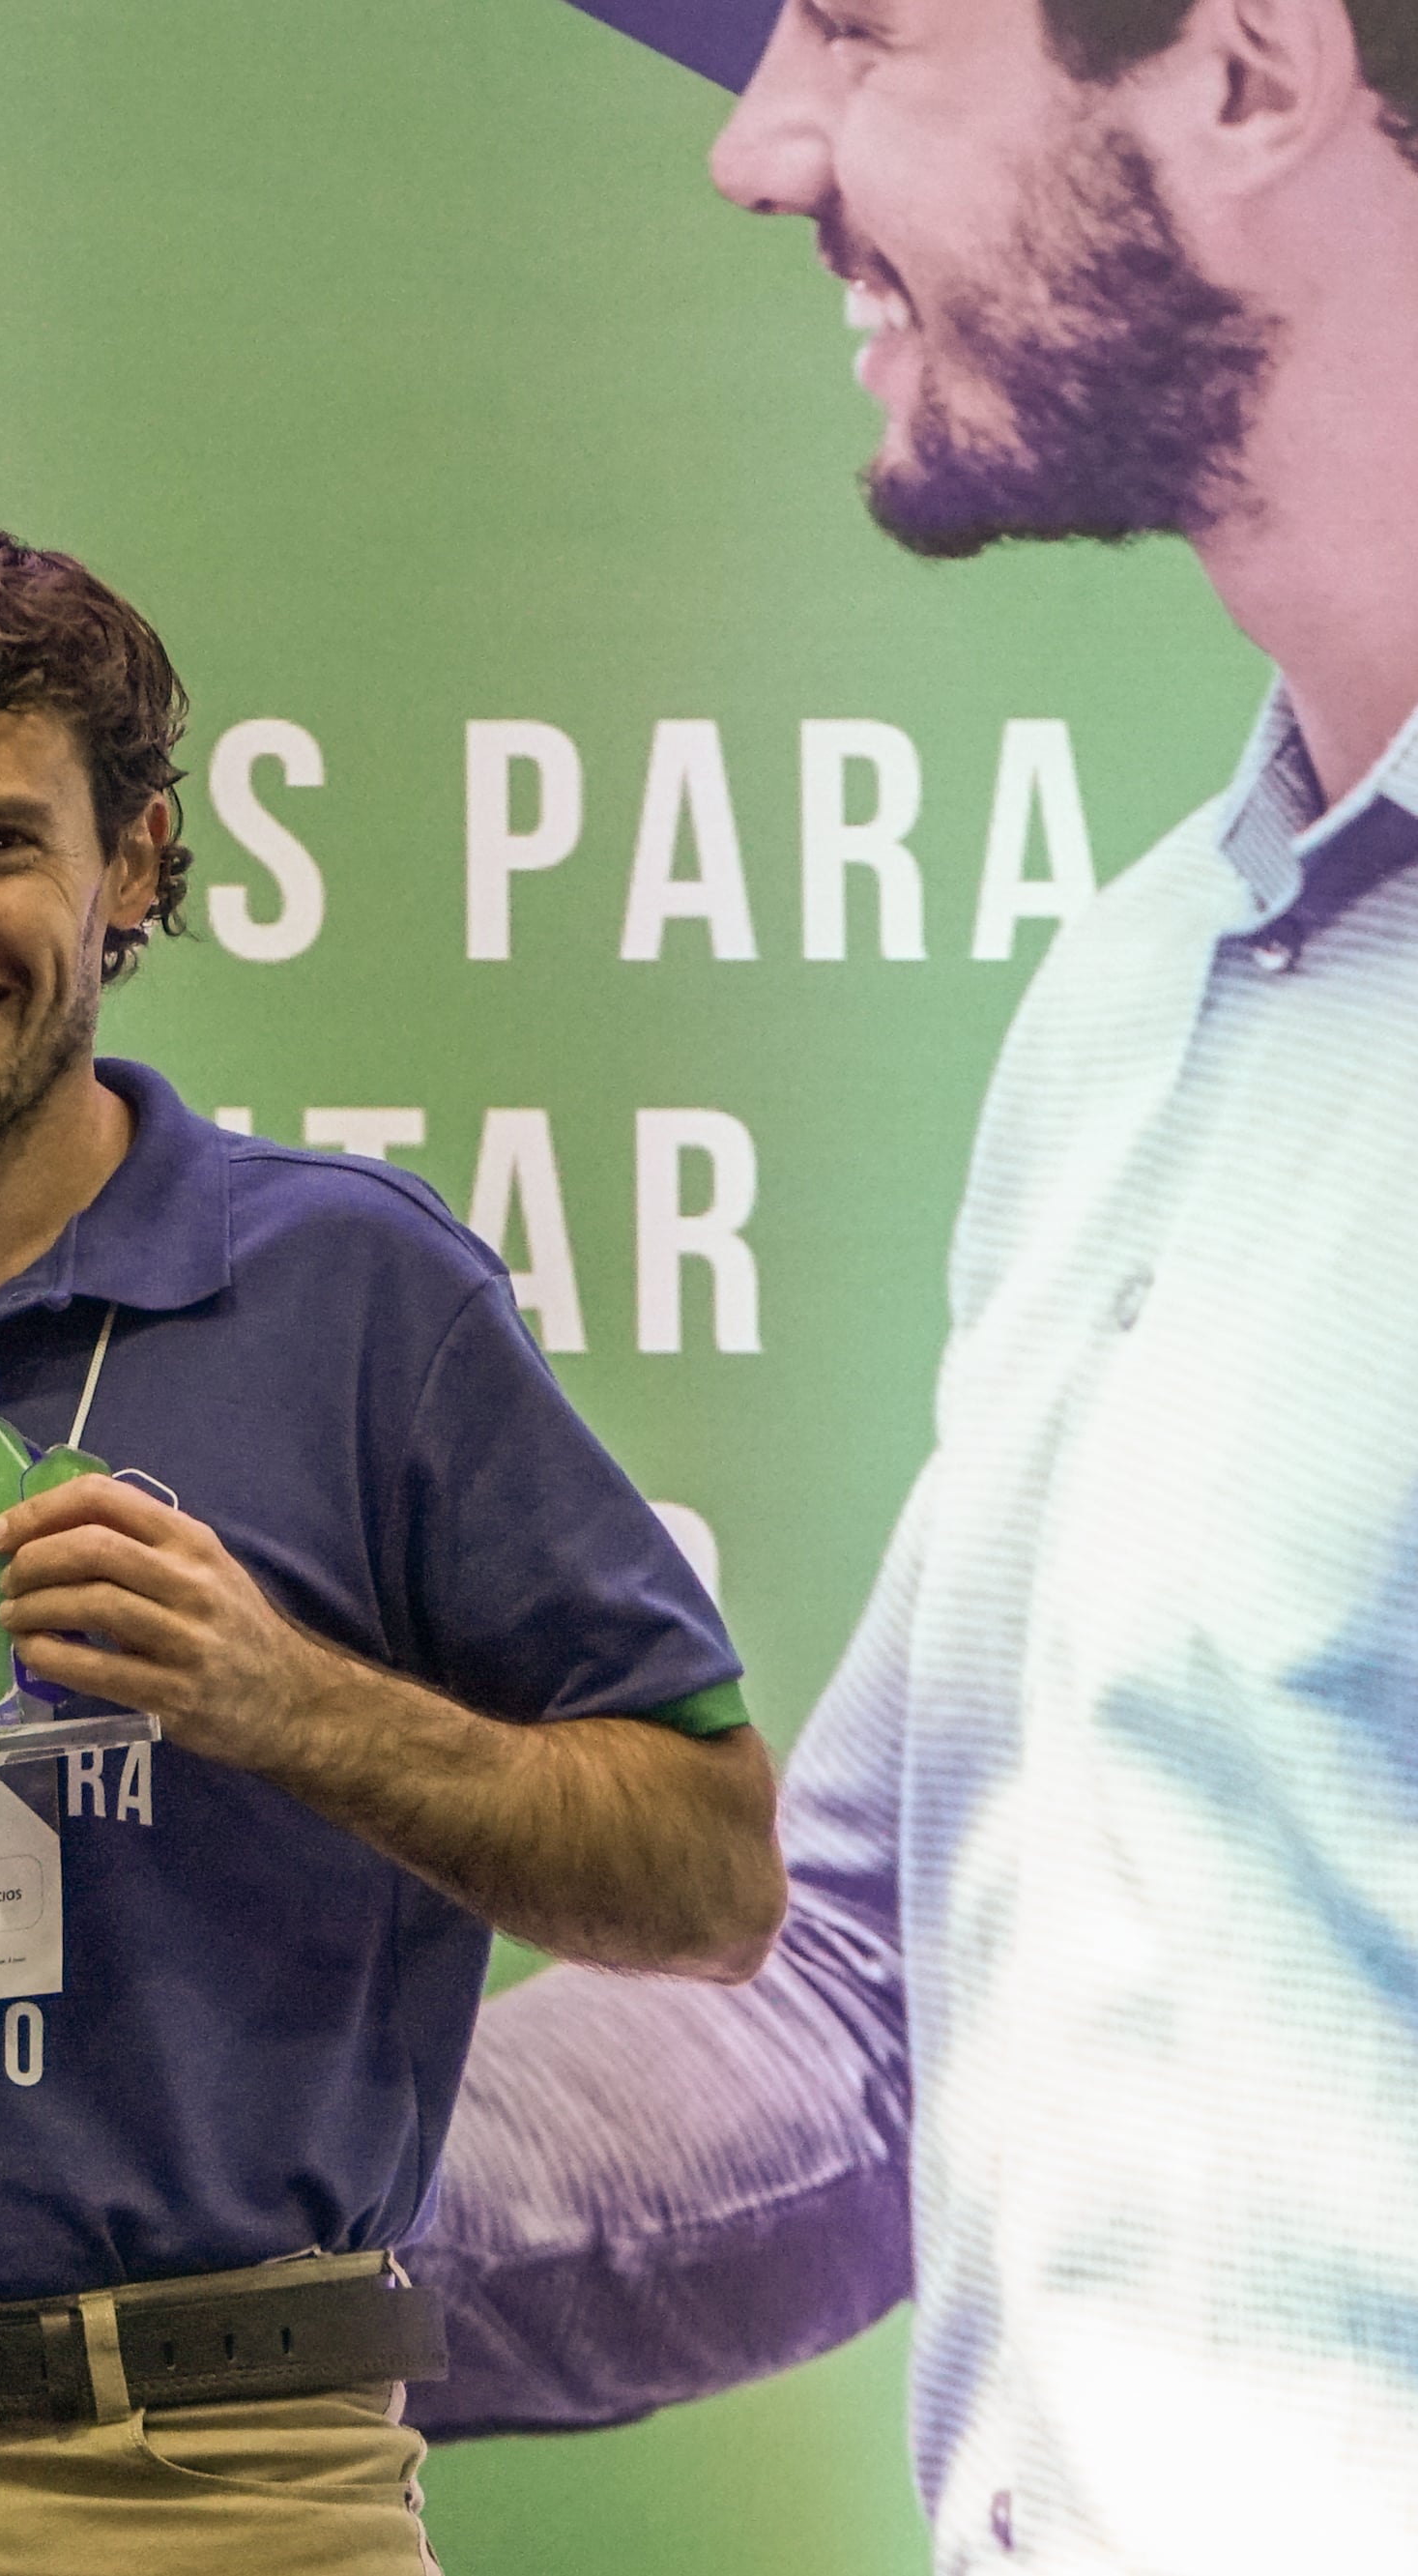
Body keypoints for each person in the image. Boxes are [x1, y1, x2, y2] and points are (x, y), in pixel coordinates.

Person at [0, 509, 788, 2573]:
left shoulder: (359, 1297)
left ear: (129, 863)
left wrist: (286, 1701)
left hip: (213, 2479)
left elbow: (715, 1879)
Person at [409, 2, 1418, 2565]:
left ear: (1251, 69)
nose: (758, 148)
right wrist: (45, 2214)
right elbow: (857, 2005)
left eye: (858, 28)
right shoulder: (1142, 993)